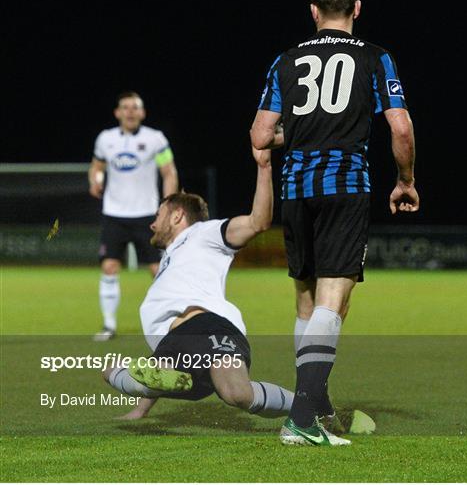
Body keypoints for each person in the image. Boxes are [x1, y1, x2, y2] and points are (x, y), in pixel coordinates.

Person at [251, 0, 419, 446]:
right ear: (356, 9)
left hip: (296, 188)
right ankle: (301, 420)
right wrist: (405, 180)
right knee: (335, 300)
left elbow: (262, 136)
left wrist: (301, 135)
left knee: (306, 299)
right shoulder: (374, 57)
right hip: (345, 183)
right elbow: (401, 128)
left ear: (313, 11)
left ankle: (316, 409)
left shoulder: (286, 60)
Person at [102, 147, 351, 446]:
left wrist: (264, 166)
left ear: (178, 215)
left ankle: (314, 410)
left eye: (158, 215)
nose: (152, 223)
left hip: (208, 327)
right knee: (111, 371)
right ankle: (154, 379)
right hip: (173, 343)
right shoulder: (170, 257)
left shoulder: (204, 233)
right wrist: (140, 409)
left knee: (238, 393)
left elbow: (258, 221)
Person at [88, 91, 179, 341]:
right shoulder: (105, 139)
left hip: (146, 215)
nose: (130, 111)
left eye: (135, 107)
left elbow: (169, 172)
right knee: (109, 266)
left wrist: (167, 205)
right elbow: (97, 167)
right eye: (125, 107)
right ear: (117, 112)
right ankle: (108, 325)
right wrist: (95, 180)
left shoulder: (155, 139)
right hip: (114, 214)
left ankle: (169, 322)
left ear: (142, 113)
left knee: (157, 269)